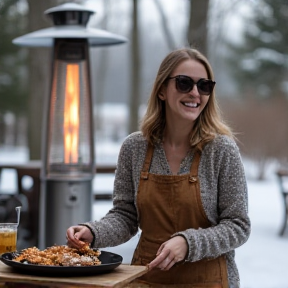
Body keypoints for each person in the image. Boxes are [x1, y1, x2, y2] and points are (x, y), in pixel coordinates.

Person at [66, 47, 251, 288]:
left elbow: (238, 226)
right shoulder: (135, 147)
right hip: (146, 279)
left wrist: (188, 243)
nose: (195, 93)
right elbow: (126, 216)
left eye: (204, 86)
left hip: (209, 281)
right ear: (162, 90)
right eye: (184, 83)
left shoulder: (221, 150)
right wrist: (93, 232)